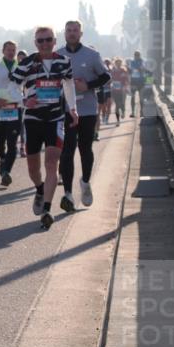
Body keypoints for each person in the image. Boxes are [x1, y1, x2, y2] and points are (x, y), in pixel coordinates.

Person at [10, 26, 79, 230]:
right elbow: (13, 86)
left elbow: (69, 85)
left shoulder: (63, 61)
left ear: (54, 41)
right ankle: (39, 189)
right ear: (35, 43)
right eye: (40, 41)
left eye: (48, 40)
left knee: (51, 163)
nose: (44, 44)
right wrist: (23, 101)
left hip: (55, 119)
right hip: (33, 119)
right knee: (33, 168)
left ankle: (47, 210)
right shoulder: (27, 63)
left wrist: (72, 109)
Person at [56, 21, 108, 212]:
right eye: (68, 30)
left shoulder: (92, 55)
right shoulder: (57, 55)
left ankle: (85, 182)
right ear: (64, 33)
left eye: (75, 30)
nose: (71, 33)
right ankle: (68, 193)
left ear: (81, 33)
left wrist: (88, 85)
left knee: (85, 149)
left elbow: (106, 77)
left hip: (87, 110)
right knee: (67, 151)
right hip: (66, 111)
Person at [0, 40, 24, 187]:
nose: (11, 52)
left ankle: (6, 172)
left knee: (13, 143)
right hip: (0, 109)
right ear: (3, 51)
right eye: (8, 49)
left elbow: (27, 85)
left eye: (13, 50)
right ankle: (2, 159)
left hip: (16, 108)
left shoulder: (21, 68)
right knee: (0, 142)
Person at [110, 57, 130, 125]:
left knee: (122, 103)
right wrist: (111, 84)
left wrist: (125, 86)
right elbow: (110, 79)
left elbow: (126, 80)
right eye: (117, 63)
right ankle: (118, 121)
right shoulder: (113, 71)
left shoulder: (123, 70)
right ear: (115, 63)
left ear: (121, 63)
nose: (118, 64)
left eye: (119, 63)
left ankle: (123, 111)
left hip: (122, 90)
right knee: (117, 105)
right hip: (115, 90)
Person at [128, 51, 146, 117]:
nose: (136, 56)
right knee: (133, 97)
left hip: (141, 81)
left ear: (139, 55)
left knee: (141, 98)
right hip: (133, 81)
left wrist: (138, 69)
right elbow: (130, 70)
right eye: (135, 55)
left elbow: (143, 69)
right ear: (134, 55)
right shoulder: (131, 61)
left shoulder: (142, 61)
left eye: (138, 55)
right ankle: (132, 112)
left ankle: (142, 112)